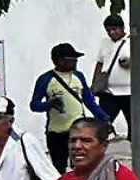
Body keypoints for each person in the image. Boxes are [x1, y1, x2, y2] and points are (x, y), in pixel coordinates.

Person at [31, 42, 106, 171]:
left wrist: (103, 117)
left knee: (81, 164)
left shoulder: (78, 76)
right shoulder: (46, 79)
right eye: (71, 59)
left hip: (77, 130)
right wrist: (49, 105)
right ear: (60, 61)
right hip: (56, 132)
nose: (75, 62)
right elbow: (34, 105)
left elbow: (89, 101)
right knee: (58, 167)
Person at [91, 14, 133, 138]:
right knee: (101, 125)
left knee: (134, 126)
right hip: (109, 92)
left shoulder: (132, 41)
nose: (111, 33)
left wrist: (131, 63)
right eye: (108, 30)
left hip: (129, 92)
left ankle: (134, 152)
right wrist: (95, 84)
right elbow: (100, 63)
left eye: (114, 29)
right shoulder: (105, 43)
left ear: (122, 28)